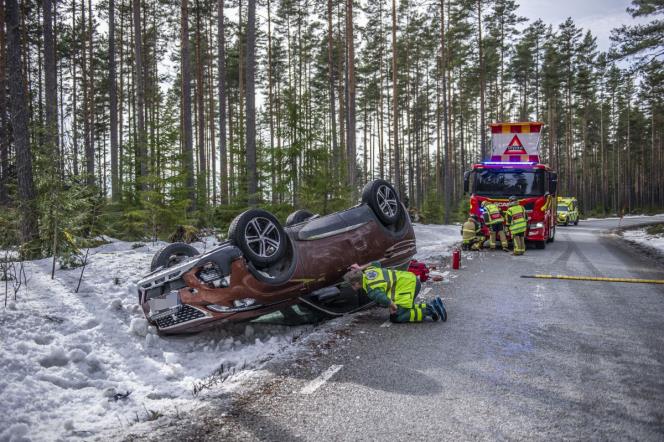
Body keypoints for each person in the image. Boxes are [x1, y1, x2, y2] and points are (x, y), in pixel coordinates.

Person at [343, 262, 447, 323]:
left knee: (397, 317)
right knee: (403, 308)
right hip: (410, 278)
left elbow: (383, 298)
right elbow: (376, 263)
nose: (352, 288)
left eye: (352, 285)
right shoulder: (369, 271)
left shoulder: (371, 290)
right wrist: (361, 268)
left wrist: (393, 307)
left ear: (357, 283)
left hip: (408, 287)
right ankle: (432, 305)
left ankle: (429, 310)